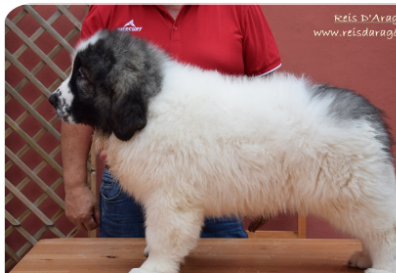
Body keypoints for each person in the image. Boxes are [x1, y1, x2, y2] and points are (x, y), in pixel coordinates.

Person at [61, 4, 281, 237]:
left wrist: (269, 177)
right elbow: (80, 95)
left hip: (220, 176)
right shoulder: (109, 8)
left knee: (221, 272)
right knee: (125, 270)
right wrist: (75, 186)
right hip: (129, 184)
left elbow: (268, 98)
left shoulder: (240, 7)